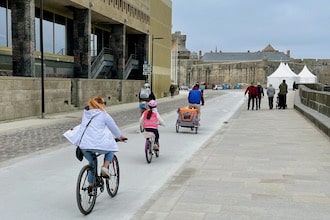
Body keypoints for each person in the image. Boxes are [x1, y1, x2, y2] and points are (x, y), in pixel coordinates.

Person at [66, 96, 127, 180]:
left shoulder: (86, 114)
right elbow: (113, 127)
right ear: (100, 104)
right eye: (104, 103)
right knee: (112, 149)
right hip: (99, 145)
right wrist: (120, 136)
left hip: (84, 146)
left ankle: (90, 185)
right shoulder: (104, 114)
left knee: (92, 162)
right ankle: (104, 168)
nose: (105, 105)